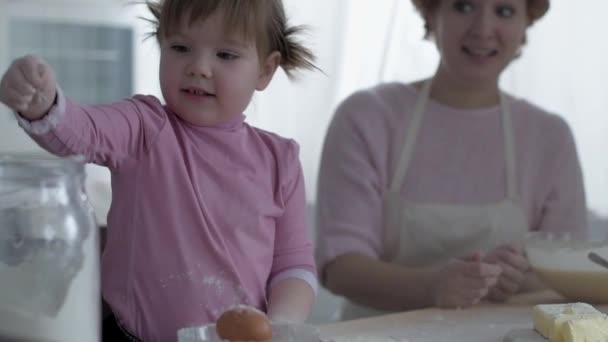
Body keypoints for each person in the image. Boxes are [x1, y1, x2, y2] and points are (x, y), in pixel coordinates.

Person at [0, 0, 319, 340]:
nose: (198, 67)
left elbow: (293, 267)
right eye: (180, 48)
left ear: (265, 70)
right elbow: (82, 131)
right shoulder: (144, 126)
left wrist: (280, 323)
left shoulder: (280, 161)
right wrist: (45, 104)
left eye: (225, 55)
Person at [315, 0, 587, 320]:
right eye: (463, 6)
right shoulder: (368, 116)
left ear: (527, 22)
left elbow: (574, 271)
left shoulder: (550, 137)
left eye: (504, 11)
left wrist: (518, 281)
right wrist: (431, 287)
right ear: (431, 13)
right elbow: (341, 267)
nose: (483, 30)